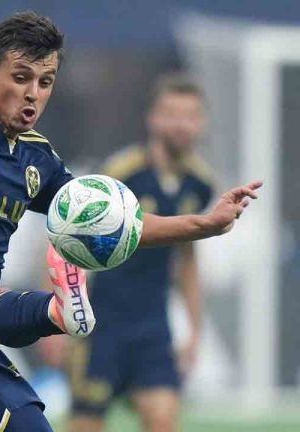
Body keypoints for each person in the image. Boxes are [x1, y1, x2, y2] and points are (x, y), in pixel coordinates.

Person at [0, 12, 260, 432]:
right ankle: (55, 310)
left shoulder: (38, 158)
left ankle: (54, 310)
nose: (33, 93)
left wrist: (203, 224)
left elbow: (117, 227)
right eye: (21, 78)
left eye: (45, 82)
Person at [67, 73, 215, 432]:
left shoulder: (201, 184)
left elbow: (188, 260)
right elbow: (69, 239)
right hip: (102, 327)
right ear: (153, 118)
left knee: (164, 421)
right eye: (172, 113)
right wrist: (61, 313)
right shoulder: (122, 173)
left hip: (153, 330)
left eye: (191, 115)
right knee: (85, 425)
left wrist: (194, 331)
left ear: (202, 122)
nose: (181, 124)